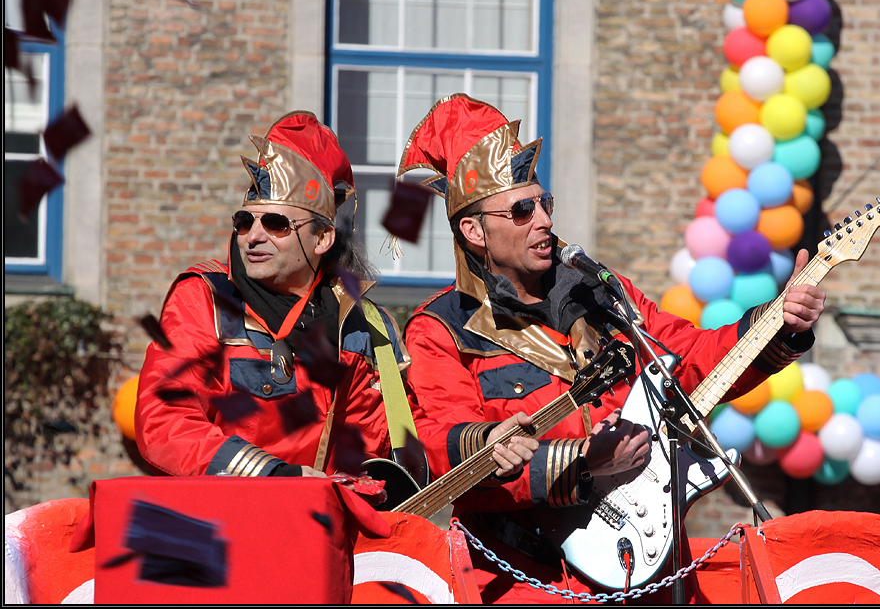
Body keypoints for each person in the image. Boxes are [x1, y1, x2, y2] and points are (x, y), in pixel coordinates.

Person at [397, 94, 826, 603]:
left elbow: (687, 360)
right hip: (524, 580)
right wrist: (582, 461)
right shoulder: (441, 329)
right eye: (521, 210)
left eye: (544, 203)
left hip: (646, 574)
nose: (544, 222)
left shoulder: (600, 291)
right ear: (473, 231)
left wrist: (777, 324)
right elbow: (446, 451)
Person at [135, 111, 412, 479]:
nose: (253, 236)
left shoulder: (370, 326)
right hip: (229, 526)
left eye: (277, 224)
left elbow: (397, 446)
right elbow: (165, 420)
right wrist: (273, 476)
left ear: (323, 239)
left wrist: (482, 441)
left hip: (328, 530)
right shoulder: (205, 299)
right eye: (245, 222)